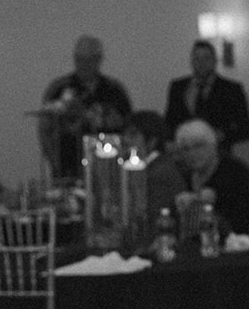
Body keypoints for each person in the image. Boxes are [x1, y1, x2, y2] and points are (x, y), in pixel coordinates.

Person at [39, 36, 133, 180]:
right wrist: (54, 163)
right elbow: (45, 130)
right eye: (79, 59)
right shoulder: (58, 89)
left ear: (99, 59)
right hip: (69, 169)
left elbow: (128, 129)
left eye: (90, 60)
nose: (84, 65)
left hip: (108, 169)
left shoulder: (115, 90)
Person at [172, 118, 249, 234]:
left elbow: (239, 219)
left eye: (198, 146)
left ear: (212, 145)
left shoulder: (233, 171)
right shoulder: (187, 176)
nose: (192, 154)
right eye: (186, 149)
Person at [163, 40, 249, 150]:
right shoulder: (178, 87)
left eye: (206, 58)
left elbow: (246, 130)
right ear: (191, 61)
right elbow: (169, 122)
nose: (201, 63)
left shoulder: (231, 89)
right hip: (184, 155)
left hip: (218, 155)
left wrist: (221, 135)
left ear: (215, 61)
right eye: (197, 58)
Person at [123, 109, 188, 231]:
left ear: (152, 141)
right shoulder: (158, 167)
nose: (126, 140)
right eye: (125, 134)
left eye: (133, 135)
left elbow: (152, 221)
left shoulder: (159, 173)